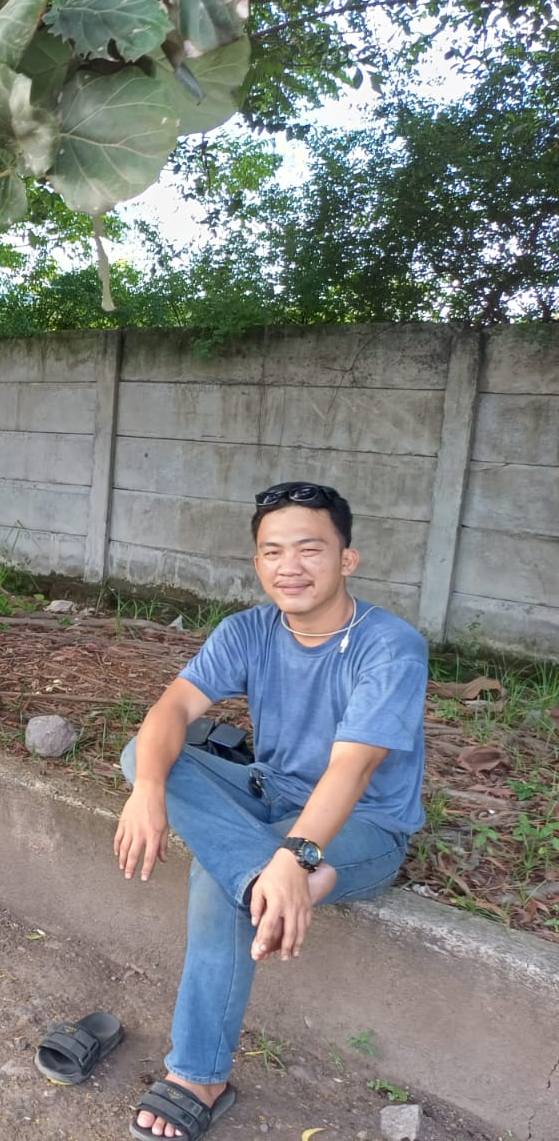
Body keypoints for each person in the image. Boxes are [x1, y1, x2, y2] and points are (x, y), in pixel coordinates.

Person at [115, 482, 427, 1141]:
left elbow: (353, 769)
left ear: (347, 558)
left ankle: (198, 1076)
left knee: (219, 880)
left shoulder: (389, 645)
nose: (290, 567)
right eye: (273, 552)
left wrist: (297, 855)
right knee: (144, 754)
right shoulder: (249, 630)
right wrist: (148, 791)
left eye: (310, 549)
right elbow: (172, 709)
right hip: (267, 792)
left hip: (363, 824)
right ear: (257, 563)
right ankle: (261, 872)